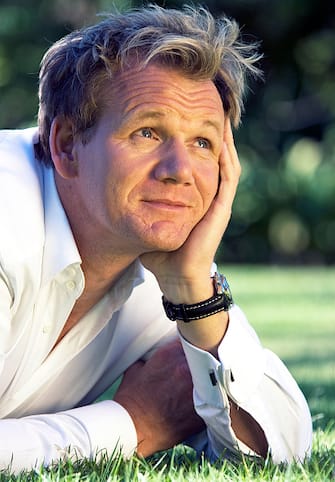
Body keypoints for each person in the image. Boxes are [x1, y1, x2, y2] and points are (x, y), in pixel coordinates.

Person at [0, 4, 312, 473]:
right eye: (147, 132)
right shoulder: (10, 220)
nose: (180, 171)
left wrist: (194, 295)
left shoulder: (162, 265)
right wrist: (134, 425)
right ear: (66, 145)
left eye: (203, 142)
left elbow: (281, 449)